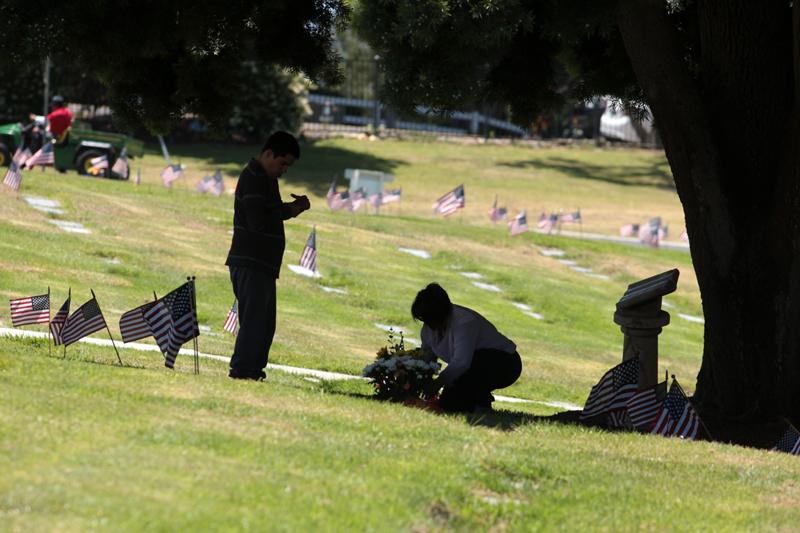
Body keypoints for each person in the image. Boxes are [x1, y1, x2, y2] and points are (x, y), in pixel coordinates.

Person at [225, 131, 310, 380]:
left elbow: (270, 212)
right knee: (253, 322)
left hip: (263, 265)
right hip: (250, 261)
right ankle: (241, 370)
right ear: (268, 153)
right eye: (283, 162)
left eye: (288, 166)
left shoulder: (266, 178)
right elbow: (257, 221)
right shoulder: (253, 177)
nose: (284, 169)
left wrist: (292, 209)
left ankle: (253, 370)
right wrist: (291, 209)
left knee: (265, 323)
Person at [413, 283, 522, 412]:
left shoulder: (464, 322)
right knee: (452, 395)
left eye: (430, 319)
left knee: (453, 397)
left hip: (505, 364)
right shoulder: (428, 328)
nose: (428, 325)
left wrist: (437, 383)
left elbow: (461, 362)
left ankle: (480, 403)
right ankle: (477, 400)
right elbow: (428, 356)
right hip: (474, 364)